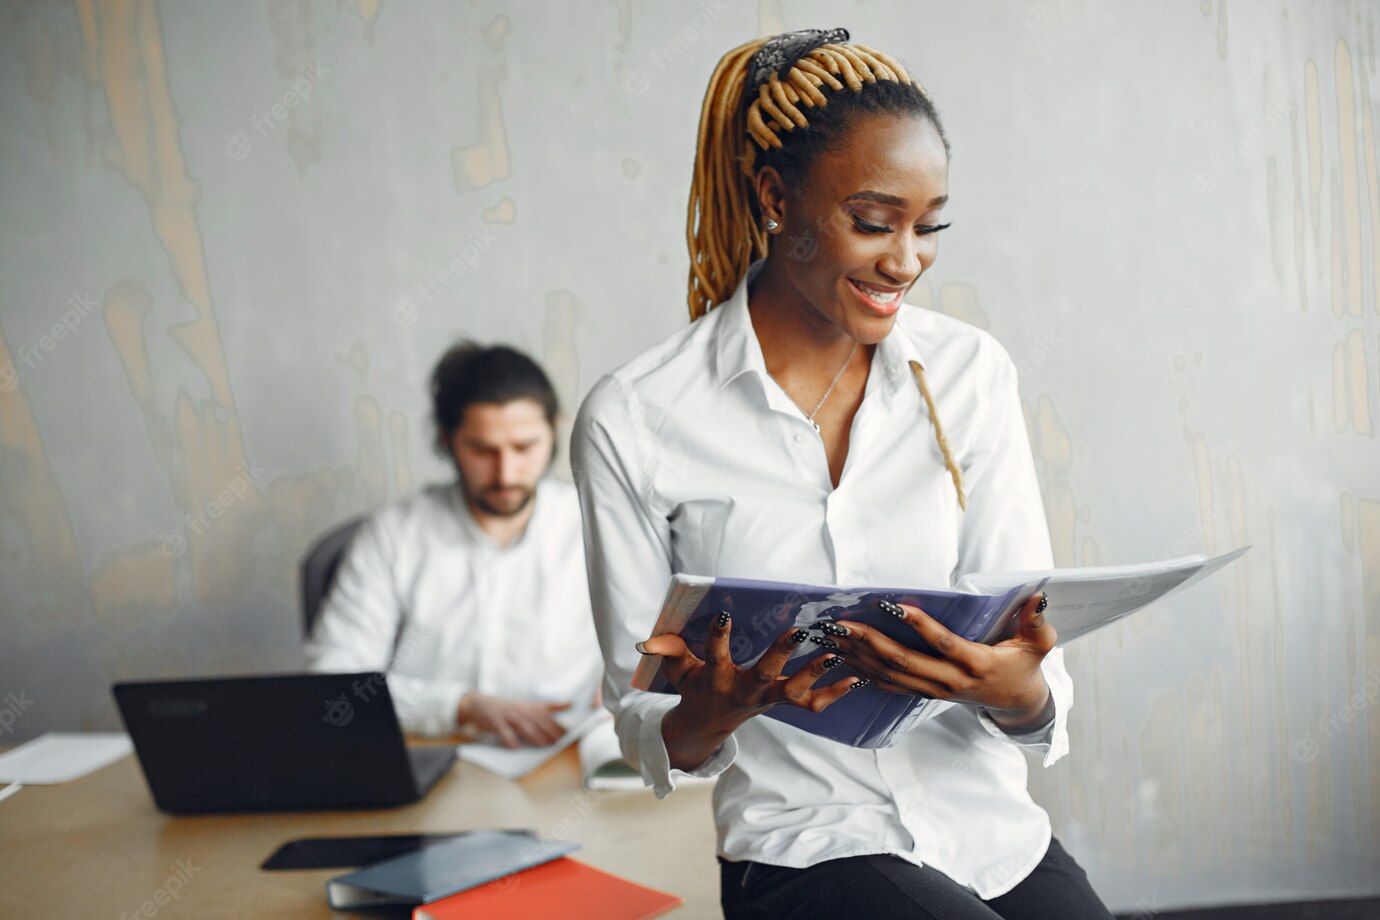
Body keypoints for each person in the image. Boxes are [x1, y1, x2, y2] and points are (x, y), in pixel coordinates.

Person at [571, 28, 1115, 918]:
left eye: (929, 226)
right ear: (777, 198)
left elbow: (1022, 633)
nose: (906, 260)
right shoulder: (636, 419)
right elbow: (641, 724)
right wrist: (713, 709)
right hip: (801, 849)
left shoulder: (971, 376)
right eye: (873, 223)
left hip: (988, 832)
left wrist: (1019, 692)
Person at [307, 342, 602, 747]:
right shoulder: (394, 535)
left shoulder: (597, 526)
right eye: (482, 450)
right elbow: (335, 684)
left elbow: (658, 642)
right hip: (435, 756)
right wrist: (458, 706)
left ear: (554, 431)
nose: (506, 473)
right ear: (447, 442)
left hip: (570, 759)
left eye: (524, 447)